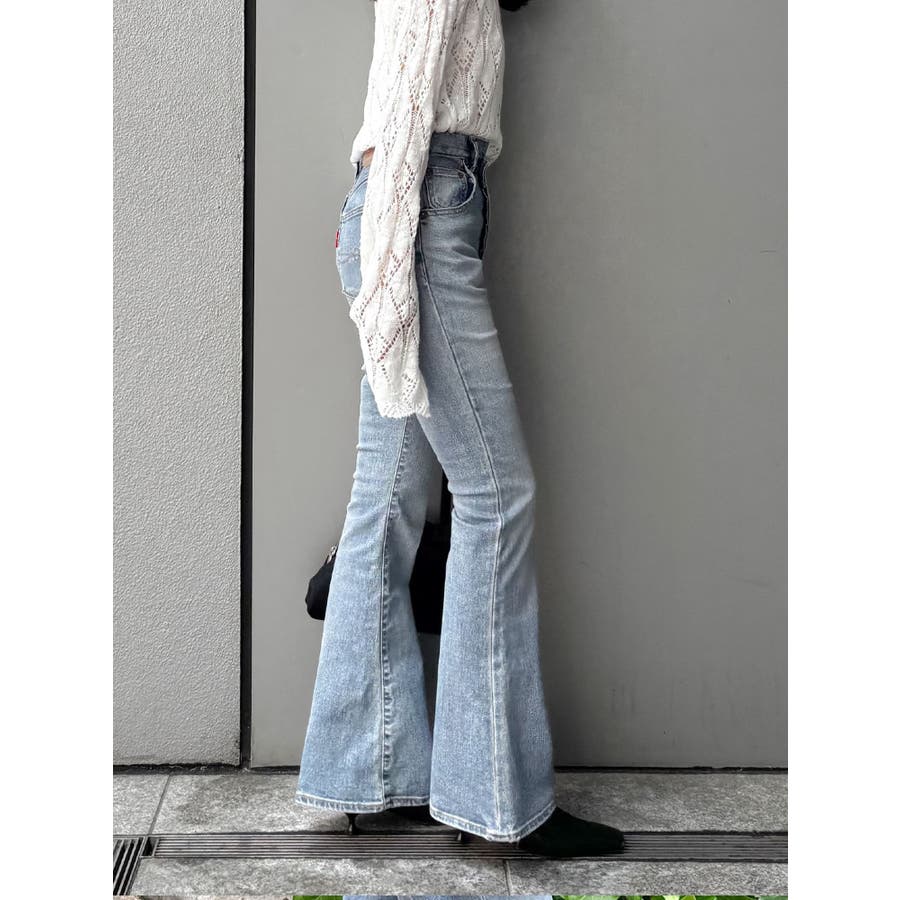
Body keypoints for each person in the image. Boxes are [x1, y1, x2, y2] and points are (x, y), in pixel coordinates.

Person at [295, 0, 624, 857]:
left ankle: (367, 770)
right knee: (496, 496)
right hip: (415, 210)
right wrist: (390, 259)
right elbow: (411, 87)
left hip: (406, 203)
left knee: (389, 496)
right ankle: (498, 798)